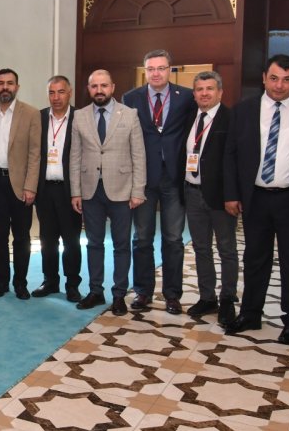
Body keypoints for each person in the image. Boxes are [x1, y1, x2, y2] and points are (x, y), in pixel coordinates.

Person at [223, 54, 289, 343]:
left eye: (287, 80)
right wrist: (231, 194)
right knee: (255, 258)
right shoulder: (244, 109)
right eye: (274, 78)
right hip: (255, 197)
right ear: (264, 78)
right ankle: (250, 313)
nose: (279, 85)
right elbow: (231, 154)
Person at [122, 49, 195, 314]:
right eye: (151, 69)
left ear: (169, 70)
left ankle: (172, 295)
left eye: (161, 68)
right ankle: (143, 292)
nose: (156, 73)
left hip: (174, 176)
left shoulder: (186, 97)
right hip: (143, 177)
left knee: (173, 239)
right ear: (145, 71)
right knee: (142, 238)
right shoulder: (131, 98)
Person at [70, 69, 145, 314]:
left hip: (122, 190)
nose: (99, 90)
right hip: (90, 191)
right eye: (94, 86)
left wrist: (138, 190)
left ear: (112, 87)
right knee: (94, 243)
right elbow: (75, 156)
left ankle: (119, 294)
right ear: (89, 89)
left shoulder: (130, 114)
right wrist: (75, 191)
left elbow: (138, 155)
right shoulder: (80, 116)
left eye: (104, 85)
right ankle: (96, 291)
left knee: (122, 245)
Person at [180, 71, 238, 325]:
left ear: (220, 92)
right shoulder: (189, 118)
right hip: (192, 192)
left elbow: (236, 160)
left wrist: (233, 195)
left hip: (221, 196)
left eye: (210, 88)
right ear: (194, 94)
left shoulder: (231, 119)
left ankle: (228, 299)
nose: (204, 93)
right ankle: (207, 297)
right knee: (201, 247)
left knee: (226, 249)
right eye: (200, 89)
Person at [0, 68, 42, 299]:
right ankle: (1, 281)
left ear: (17, 86)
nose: (5, 87)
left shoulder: (31, 114)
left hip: (20, 185)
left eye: (9, 83)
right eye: (1, 83)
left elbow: (35, 153)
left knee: (22, 237)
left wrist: (31, 186)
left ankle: (20, 283)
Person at [32, 75, 83, 302]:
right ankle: (50, 281)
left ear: (69, 93)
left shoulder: (80, 118)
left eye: (61, 92)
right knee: (47, 240)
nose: (56, 97)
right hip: (45, 190)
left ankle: (72, 284)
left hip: (69, 191)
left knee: (71, 240)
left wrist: (79, 191)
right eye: (52, 92)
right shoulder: (39, 118)